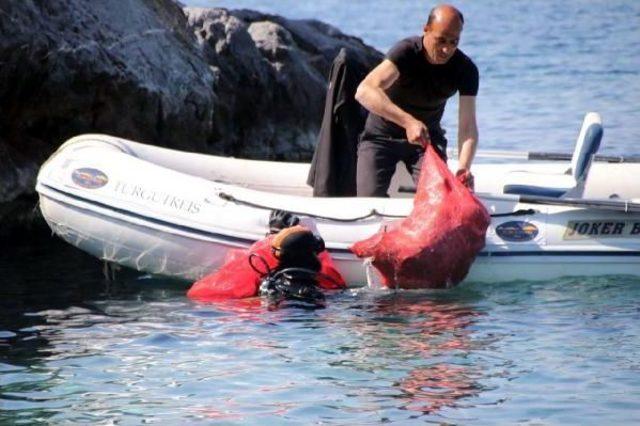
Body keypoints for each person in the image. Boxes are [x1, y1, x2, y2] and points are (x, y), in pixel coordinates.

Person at [354, 3, 478, 197]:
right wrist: (408, 121)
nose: (446, 49)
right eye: (441, 40)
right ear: (426, 29)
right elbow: (364, 90)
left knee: (439, 199)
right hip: (381, 136)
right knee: (368, 200)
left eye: (454, 42)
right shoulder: (406, 52)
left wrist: (464, 167)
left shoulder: (465, 69)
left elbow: (468, 126)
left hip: (426, 140)